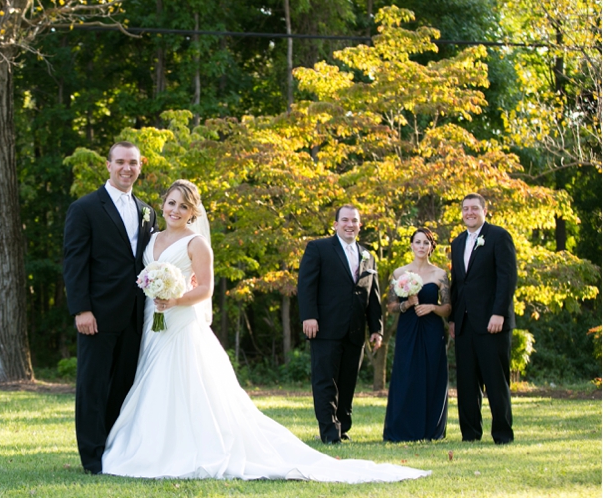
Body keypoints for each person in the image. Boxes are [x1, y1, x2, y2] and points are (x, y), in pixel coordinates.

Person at [102, 180, 428, 482]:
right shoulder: (154, 237)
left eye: (183, 206)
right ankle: (153, 443)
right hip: (153, 320)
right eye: (171, 203)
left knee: (184, 381)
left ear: (193, 212)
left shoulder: (197, 242)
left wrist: (174, 299)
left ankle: (187, 448)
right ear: (163, 203)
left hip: (181, 319)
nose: (175, 210)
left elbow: (205, 290)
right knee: (152, 378)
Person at [62, 141, 158, 474]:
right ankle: (92, 458)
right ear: (108, 165)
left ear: (140, 166)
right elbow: (74, 263)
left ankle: (114, 452)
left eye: (132, 162)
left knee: (123, 386)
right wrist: (81, 309)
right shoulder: (85, 208)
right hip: (97, 315)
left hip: (135, 315)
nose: (126, 168)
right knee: (93, 386)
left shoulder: (148, 211)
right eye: (120, 162)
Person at [297, 205, 383, 444]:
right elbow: (306, 285)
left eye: (354, 220)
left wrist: (376, 328)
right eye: (344, 220)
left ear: (360, 225)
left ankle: (343, 427)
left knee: (348, 381)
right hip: (325, 327)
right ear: (335, 224)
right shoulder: (319, 248)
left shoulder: (368, 255)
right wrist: (309, 316)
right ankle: (329, 432)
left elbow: (372, 294)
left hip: (355, 329)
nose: (350, 224)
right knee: (325, 381)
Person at [449, 193, 517, 444]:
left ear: (485, 211)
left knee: (495, 381)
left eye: (474, 208)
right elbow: (458, 284)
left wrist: (499, 312)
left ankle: (502, 435)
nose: (469, 212)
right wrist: (454, 319)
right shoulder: (457, 243)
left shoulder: (499, 237)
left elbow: (507, 278)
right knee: (467, 384)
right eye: (465, 208)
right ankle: (470, 434)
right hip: (465, 324)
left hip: (492, 323)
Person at [383, 228, 451, 442]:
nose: (421, 246)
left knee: (432, 373)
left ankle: (431, 430)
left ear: (431, 247)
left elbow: (449, 308)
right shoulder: (399, 273)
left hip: (432, 329)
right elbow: (390, 306)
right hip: (408, 329)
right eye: (417, 242)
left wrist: (432, 307)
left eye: (426, 243)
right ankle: (403, 428)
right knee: (407, 373)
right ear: (411, 245)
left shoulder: (440, 275)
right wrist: (406, 304)